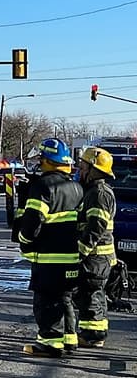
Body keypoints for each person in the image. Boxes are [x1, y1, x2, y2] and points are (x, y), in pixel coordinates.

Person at [17, 138, 84, 357]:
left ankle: (50, 343)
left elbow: (34, 219)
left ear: (48, 160)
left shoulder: (43, 186)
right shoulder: (76, 187)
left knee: (45, 302)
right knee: (65, 299)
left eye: (42, 159)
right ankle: (69, 339)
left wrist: (24, 241)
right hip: (72, 257)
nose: (39, 163)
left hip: (48, 257)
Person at [76, 146, 117, 348]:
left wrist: (81, 251)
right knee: (94, 294)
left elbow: (95, 227)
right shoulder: (94, 191)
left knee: (91, 294)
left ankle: (93, 335)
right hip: (98, 256)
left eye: (83, 167)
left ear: (94, 169)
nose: (80, 170)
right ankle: (94, 332)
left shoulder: (99, 194)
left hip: (95, 256)